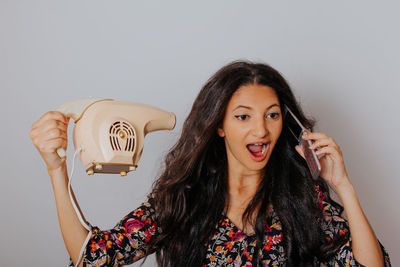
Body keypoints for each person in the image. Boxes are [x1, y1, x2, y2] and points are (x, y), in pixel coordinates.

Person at [30, 61, 391, 266]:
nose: (261, 130)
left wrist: (343, 185)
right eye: (243, 117)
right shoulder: (183, 198)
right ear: (219, 125)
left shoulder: (302, 199)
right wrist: (56, 169)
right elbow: (93, 258)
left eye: (272, 115)